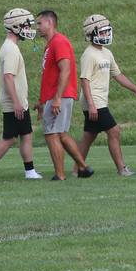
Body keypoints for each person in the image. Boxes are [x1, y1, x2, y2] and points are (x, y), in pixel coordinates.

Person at [78, 14, 136, 176]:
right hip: (94, 101)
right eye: (103, 32)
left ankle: (77, 170)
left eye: (107, 31)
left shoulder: (107, 53)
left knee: (89, 136)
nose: (106, 35)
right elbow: (84, 80)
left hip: (98, 101)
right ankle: (122, 169)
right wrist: (91, 104)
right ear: (92, 33)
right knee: (114, 131)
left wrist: (135, 89)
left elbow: (118, 75)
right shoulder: (89, 54)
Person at [34, 10, 92, 180]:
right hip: (54, 96)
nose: (37, 27)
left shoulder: (59, 42)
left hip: (59, 96)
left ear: (50, 23)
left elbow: (65, 70)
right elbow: (49, 76)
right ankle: (83, 167)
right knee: (61, 134)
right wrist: (41, 100)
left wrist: (57, 98)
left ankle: (60, 175)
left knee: (51, 134)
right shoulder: (50, 44)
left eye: (39, 23)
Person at [0, 9, 42, 179]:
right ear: (15, 26)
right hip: (13, 102)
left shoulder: (11, 47)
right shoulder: (10, 49)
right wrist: (17, 102)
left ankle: (29, 170)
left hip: (18, 101)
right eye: (26, 25)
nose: (29, 29)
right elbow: (8, 77)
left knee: (26, 134)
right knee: (9, 138)